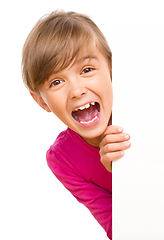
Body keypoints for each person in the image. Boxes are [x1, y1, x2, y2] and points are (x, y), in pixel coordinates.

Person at [21, 10, 131, 239]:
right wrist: (120, 175)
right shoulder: (61, 158)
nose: (77, 90)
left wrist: (130, 166)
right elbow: (121, 230)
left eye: (87, 70)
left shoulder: (144, 110)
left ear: (112, 68)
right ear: (41, 101)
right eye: (57, 82)